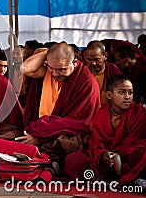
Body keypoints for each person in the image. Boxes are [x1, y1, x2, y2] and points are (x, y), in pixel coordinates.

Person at [19, 42, 100, 178]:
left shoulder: (86, 82)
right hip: (42, 128)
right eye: (52, 68)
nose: (56, 74)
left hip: (68, 133)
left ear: (74, 62)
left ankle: (48, 161)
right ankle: (48, 162)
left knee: (67, 145)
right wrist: (49, 53)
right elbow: (24, 68)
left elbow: (80, 123)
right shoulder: (48, 72)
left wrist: (39, 137)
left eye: (62, 69)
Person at [88, 75, 146, 185]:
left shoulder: (139, 113)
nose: (127, 97)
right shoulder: (101, 115)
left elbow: (137, 141)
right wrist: (103, 154)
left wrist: (117, 153)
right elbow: (95, 142)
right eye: (122, 92)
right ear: (109, 95)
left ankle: (121, 173)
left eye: (130, 92)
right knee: (75, 160)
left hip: (129, 153)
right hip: (109, 157)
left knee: (140, 154)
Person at [83, 40, 122, 105]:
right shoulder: (82, 73)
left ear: (105, 56)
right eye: (89, 59)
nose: (93, 63)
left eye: (97, 59)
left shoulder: (112, 70)